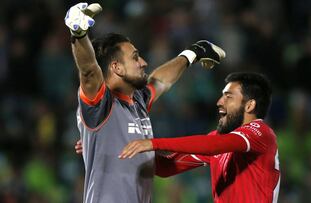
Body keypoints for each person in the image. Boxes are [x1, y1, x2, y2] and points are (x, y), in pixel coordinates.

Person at [64, 2, 225, 203]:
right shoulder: (100, 104)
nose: (143, 62)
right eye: (135, 57)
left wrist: (193, 53)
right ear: (117, 67)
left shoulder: (137, 101)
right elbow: (89, 70)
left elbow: (161, 81)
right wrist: (78, 35)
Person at [119, 72, 281, 203]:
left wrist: (153, 143)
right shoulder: (219, 140)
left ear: (250, 105)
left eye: (228, 96)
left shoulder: (261, 133)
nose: (219, 102)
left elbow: (213, 145)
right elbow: (166, 167)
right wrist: (129, 145)